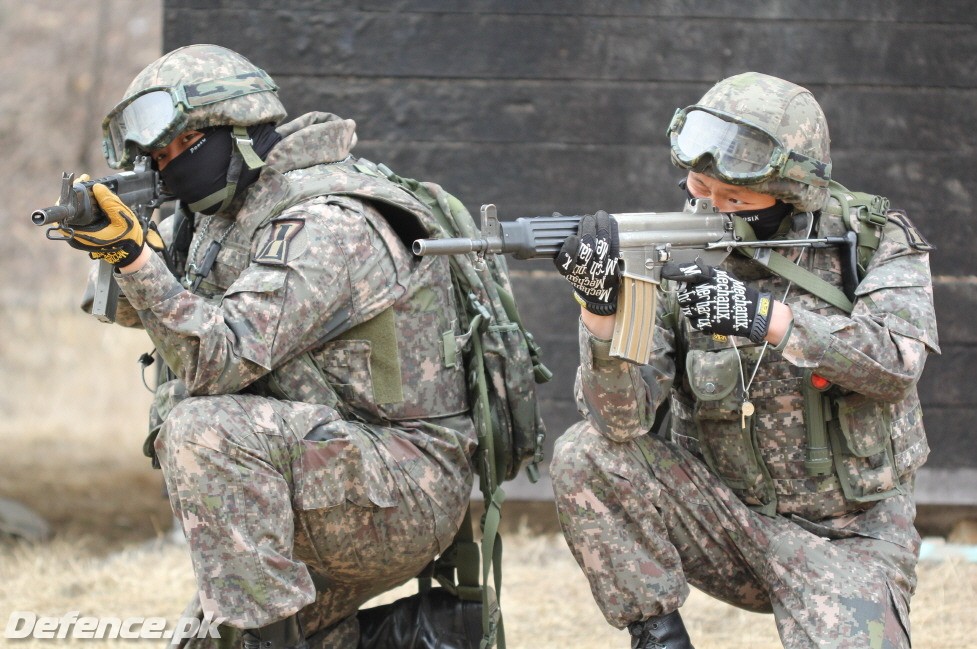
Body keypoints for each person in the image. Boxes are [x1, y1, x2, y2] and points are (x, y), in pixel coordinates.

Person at [48, 44, 477, 648]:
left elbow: (216, 360)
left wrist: (137, 258)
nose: (167, 166)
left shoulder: (328, 222)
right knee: (215, 642)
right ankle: (429, 636)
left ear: (237, 129)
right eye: (156, 155)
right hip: (325, 470)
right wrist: (114, 244)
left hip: (402, 486)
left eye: (178, 147)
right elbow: (129, 308)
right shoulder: (226, 210)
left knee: (203, 429)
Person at [550, 71, 939, 649]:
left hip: (851, 536)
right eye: (699, 186)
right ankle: (657, 637)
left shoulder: (871, 236)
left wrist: (766, 319)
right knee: (586, 453)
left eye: (735, 199)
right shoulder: (666, 247)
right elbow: (622, 423)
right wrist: (600, 315)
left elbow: (896, 363)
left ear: (791, 194)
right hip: (724, 521)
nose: (709, 206)